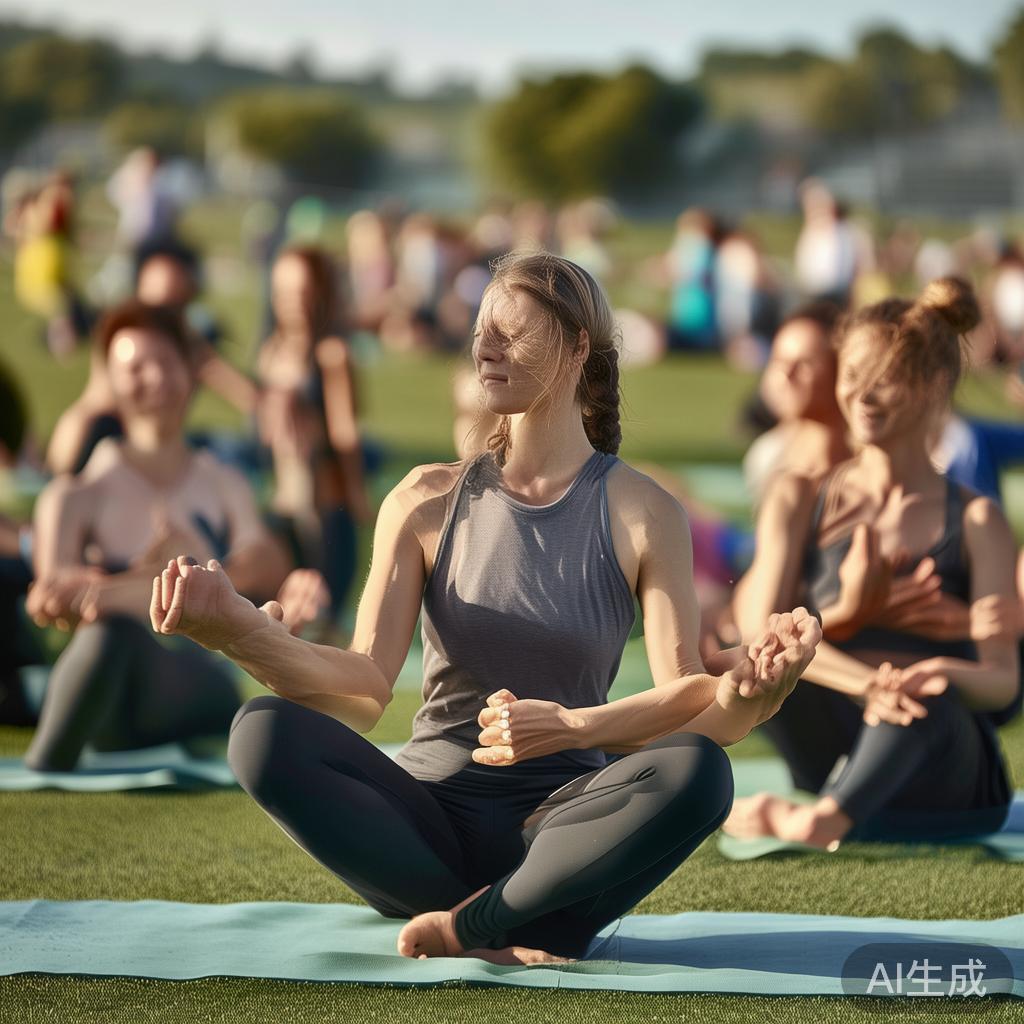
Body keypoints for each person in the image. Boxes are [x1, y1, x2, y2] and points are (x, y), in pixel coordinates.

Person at [149, 250, 820, 964]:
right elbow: (363, 692)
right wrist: (237, 631)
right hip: (423, 825)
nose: (484, 345)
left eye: (510, 330)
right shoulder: (423, 499)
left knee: (699, 772)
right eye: (480, 330)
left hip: (561, 830)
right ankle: (530, 919)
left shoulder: (644, 513)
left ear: (575, 348)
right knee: (260, 731)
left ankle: (482, 922)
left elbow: (684, 709)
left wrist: (753, 700)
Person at [727, 278, 1022, 849]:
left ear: (935, 383)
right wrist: (867, 675)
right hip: (832, 744)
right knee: (764, 663)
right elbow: (756, 632)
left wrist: (934, 674)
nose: (861, 395)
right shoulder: (798, 496)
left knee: (925, 694)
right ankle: (844, 800)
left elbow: (1003, 685)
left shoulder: (978, 520)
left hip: (947, 772)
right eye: (852, 374)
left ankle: (817, 822)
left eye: (884, 379)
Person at [23, 300, 325, 771]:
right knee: (108, 636)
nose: (156, 379)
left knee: (118, 631)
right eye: (136, 367)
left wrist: (150, 579)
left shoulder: (223, 481)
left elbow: (266, 561)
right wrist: (180, 579)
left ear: (189, 370)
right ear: (107, 380)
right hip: (101, 689)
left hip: (192, 682)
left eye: (166, 362)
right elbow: (55, 599)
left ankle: (48, 761)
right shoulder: (75, 494)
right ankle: (47, 763)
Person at [256, 245, 373, 621]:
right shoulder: (272, 351)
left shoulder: (332, 354)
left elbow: (345, 432)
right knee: (282, 616)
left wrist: (356, 493)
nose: (293, 303)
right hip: (283, 502)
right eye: (284, 293)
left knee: (323, 617)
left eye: (302, 292)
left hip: (325, 505)